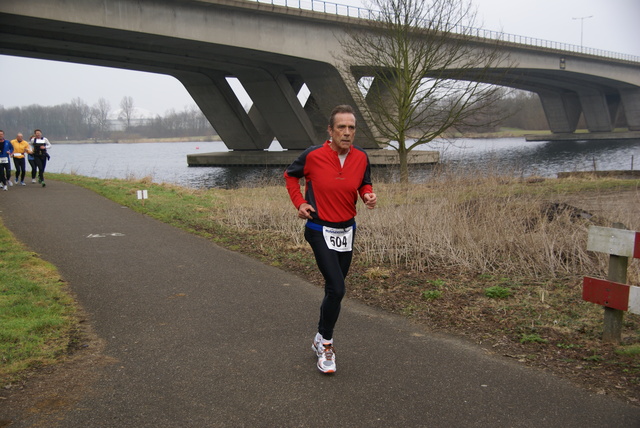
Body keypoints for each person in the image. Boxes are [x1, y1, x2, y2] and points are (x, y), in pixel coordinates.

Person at [284, 104, 377, 374]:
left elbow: (364, 182)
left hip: (347, 230)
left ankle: (318, 336)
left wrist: (368, 195)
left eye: (351, 128)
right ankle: (326, 344)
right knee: (337, 288)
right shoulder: (312, 155)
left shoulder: (361, 157)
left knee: (333, 290)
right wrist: (299, 203)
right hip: (319, 228)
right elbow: (290, 177)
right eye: (341, 127)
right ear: (330, 130)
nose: (347, 133)